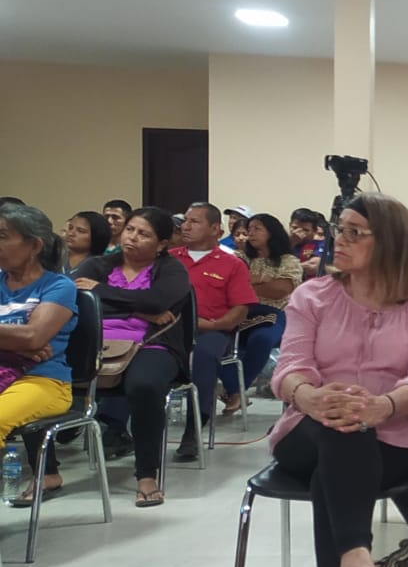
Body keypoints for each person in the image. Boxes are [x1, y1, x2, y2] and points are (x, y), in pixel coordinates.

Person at [269, 192, 408, 567]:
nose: (340, 240)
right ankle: (357, 560)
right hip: (307, 430)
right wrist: (309, 397)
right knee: (343, 430)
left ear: (388, 241)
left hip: (398, 437)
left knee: (334, 468)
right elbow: (289, 368)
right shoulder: (312, 296)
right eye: (339, 229)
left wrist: (383, 406)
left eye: (355, 232)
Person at [71, 207, 193, 506]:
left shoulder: (172, 269)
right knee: (43, 374)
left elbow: (159, 301)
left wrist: (101, 292)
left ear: (161, 244)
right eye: (130, 230)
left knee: (144, 385)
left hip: (151, 344)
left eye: (144, 234)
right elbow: (74, 299)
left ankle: (146, 473)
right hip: (95, 342)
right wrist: (139, 310)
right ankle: (46, 472)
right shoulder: (97, 264)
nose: (133, 238)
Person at [0, 205, 80, 500]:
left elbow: (34, 337)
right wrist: (16, 342)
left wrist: (25, 341)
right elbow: (27, 339)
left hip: (44, 380)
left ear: (34, 245)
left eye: (2, 236)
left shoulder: (58, 286)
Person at [171, 202, 257, 458]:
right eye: (185, 221)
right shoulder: (168, 259)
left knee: (204, 355)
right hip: (167, 329)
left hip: (213, 331)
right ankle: (116, 426)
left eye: (194, 222)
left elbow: (240, 309)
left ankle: (195, 426)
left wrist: (215, 325)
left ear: (215, 229)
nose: (186, 226)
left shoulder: (232, 264)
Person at [223, 213, 302, 414]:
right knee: (216, 345)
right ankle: (233, 390)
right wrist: (260, 281)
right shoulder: (239, 258)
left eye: (257, 229)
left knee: (261, 339)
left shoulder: (287, 260)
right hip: (240, 313)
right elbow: (229, 286)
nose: (251, 233)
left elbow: (280, 290)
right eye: (249, 229)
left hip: (274, 314)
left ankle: (236, 391)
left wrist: (248, 283)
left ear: (271, 232)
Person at [60, 210, 112, 276]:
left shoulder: (100, 266)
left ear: (96, 236)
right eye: (70, 228)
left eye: (80, 231)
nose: (70, 233)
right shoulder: (55, 257)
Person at [291, 207, 327, 279]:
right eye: (295, 228)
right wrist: (292, 243)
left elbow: (312, 266)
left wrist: (286, 268)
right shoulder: (283, 242)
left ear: (314, 231)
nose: (298, 233)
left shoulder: (320, 244)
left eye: (305, 230)